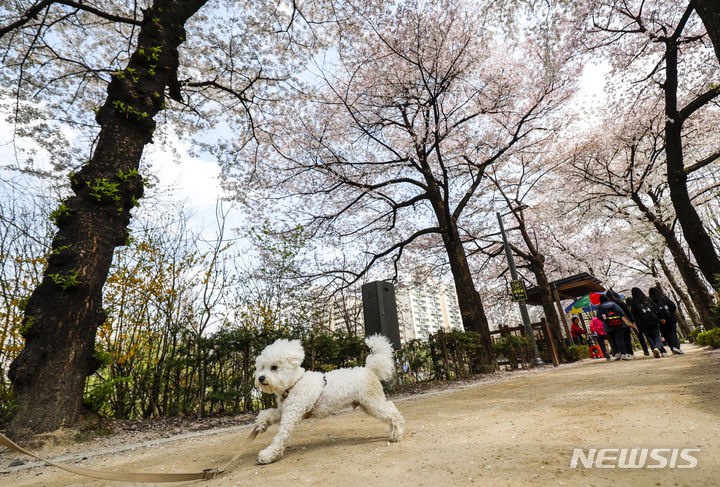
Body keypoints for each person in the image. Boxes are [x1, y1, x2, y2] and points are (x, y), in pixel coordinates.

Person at [606, 289, 649, 356]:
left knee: (618, 339)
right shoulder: (620, 302)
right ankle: (630, 353)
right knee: (626, 338)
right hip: (624, 322)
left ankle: (622, 352)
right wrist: (632, 321)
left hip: (613, 323)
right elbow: (627, 311)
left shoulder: (607, 304)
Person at [629, 287, 664, 358]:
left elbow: (634, 315)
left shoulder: (633, 303)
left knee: (648, 337)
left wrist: (637, 324)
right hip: (653, 320)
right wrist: (661, 317)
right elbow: (656, 309)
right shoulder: (648, 299)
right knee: (656, 335)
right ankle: (657, 347)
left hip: (643, 323)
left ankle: (654, 348)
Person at [649, 286, 684, 355]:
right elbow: (673, 306)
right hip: (670, 318)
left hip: (660, 321)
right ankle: (675, 347)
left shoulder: (650, 301)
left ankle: (672, 348)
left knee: (665, 334)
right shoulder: (663, 297)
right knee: (673, 333)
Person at [597, 294, 632, 360]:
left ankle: (617, 354)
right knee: (620, 340)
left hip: (608, 326)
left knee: (612, 341)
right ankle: (624, 354)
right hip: (619, 324)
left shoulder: (600, 308)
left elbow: (599, 317)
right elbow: (622, 312)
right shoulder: (613, 304)